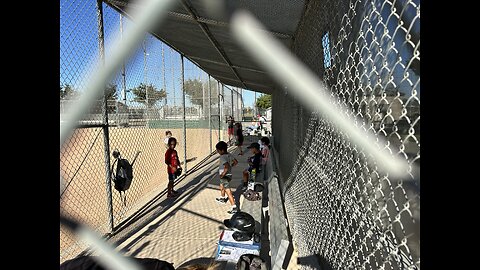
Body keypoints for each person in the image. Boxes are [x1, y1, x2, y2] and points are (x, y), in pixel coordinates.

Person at [215, 141, 239, 214]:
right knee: (221, 186)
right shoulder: (229, 154)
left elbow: (226, 166)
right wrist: (231, 166)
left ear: (222, 150)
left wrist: (223, 174)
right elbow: (236, 162)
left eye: (218, 150)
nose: (218, 152)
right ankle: (222, 198)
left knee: (228, 191)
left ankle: (234, 207)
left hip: (225, 176)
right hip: (229, 175)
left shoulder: (222, 157)